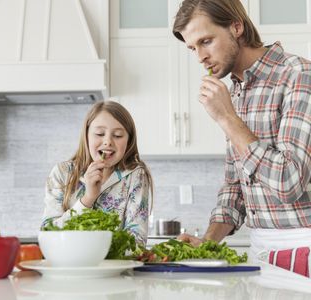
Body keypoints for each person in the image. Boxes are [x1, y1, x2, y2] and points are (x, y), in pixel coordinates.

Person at [172, 0, 311, 272]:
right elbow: (235, 188)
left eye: (206, 41)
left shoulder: (298, 75)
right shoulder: (236, 91)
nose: (200, 56)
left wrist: (227, 118)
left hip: (303, 245)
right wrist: (208, 242)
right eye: (192, 48)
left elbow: (289, 181)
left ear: (236, 27)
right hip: (260, 247)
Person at [41, 100, 153, 246]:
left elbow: (137, 243)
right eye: (100, 133)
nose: (108, 141)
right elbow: (48, 235)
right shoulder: (62, 173)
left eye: (118, 135)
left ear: (129, 140)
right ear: (86, 135)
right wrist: (88, 199)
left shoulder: (135, 175)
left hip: (116, 268)